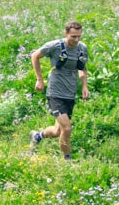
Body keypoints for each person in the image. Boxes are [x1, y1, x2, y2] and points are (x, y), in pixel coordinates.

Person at [29, 20, 89, 160]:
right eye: (73, 36)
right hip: (55, 93)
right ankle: (66, 161)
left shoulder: (82, 48)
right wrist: (39, 79)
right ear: (65, 33)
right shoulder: (55, 46)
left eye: (79, 36)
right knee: (67, 129)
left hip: (70, 93)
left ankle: (37, 136)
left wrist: (84, 86)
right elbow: (35, 56)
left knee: (58, 131)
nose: (76, 39)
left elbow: (82, 68)